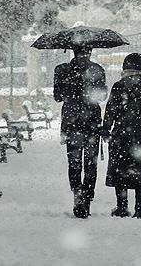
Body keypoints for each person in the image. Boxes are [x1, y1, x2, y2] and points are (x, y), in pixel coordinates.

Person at [101, 53, 141, 219]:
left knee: (121, 173)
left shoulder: (119, 86)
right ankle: (140, 208)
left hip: (121, 136)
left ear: (125, 68)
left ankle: (122, 207)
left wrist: (106, 130)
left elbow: (110, 111)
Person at [54, 46, 107, 218]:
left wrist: (71, 93)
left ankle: (78, 194)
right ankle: (87, 197)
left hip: (71, 121)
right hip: (91, 121)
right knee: (90, 163)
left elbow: (57, 96)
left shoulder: (62, 70)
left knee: (74, 162)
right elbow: (102, 96)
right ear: (90, 52)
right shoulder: (97, 69)